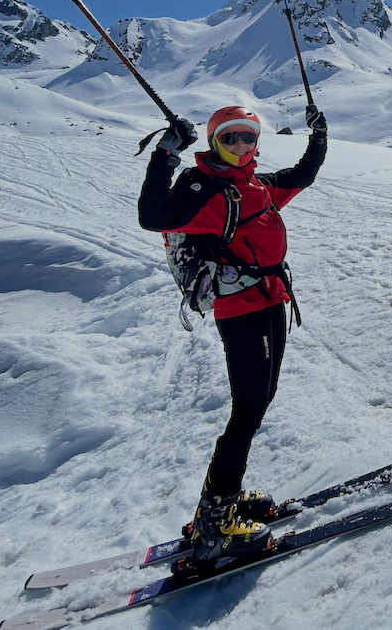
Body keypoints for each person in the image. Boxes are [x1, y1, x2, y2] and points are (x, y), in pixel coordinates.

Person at [137, 103, 327, 565]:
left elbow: (302, 175)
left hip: (271, 298)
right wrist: (165, 154)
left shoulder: (255, 184)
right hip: (239, 307)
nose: (241, 145)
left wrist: (318, 136)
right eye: (231, 137)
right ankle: (214, 526)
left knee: (261, 397)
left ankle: (224, 499)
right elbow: (153, 214)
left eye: (248, 136)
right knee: (247, 408)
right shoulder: (203, 187)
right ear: (215, 139)